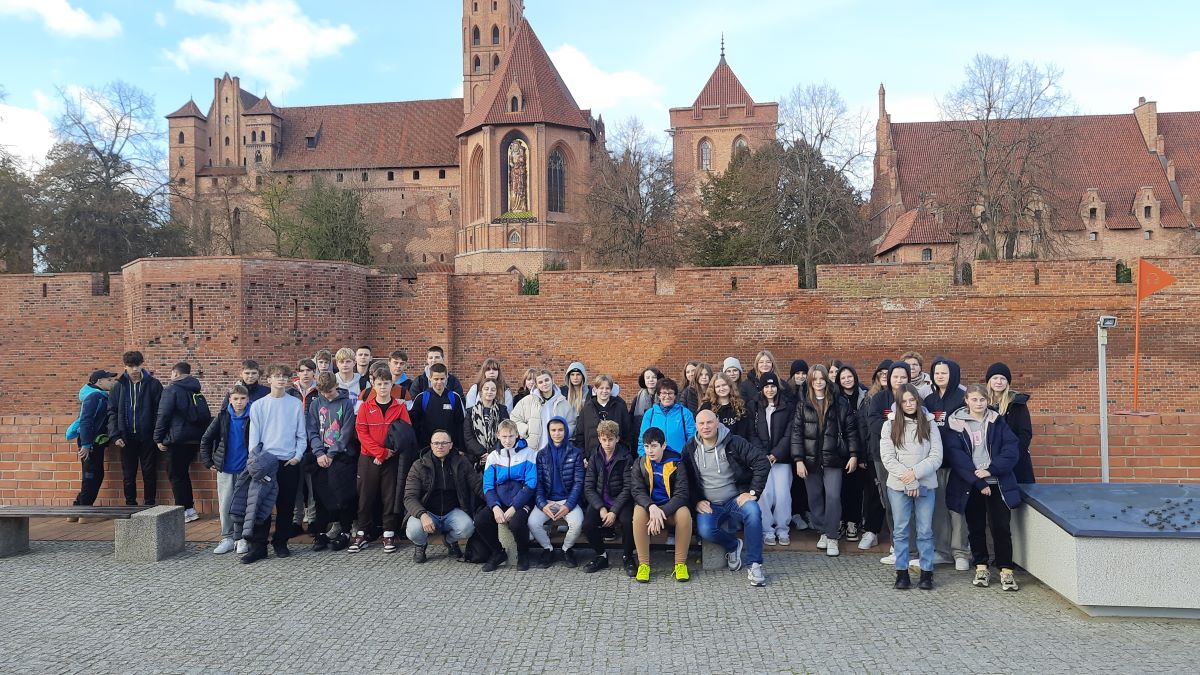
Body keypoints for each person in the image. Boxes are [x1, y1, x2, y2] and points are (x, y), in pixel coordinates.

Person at [946, 384, 1023, 591]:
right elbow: (957, 457)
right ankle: (981, 567)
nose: (978, 404)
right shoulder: (955, 424)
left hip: (998, 482)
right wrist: (979, 482)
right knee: (976, 527)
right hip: (971, 485)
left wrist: (991, 470)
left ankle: (1006, 570)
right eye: (974, 400)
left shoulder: (998, 421)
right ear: (966, 401)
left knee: (1001, 528)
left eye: (982, 400)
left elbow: (1010, 450)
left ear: (987, 400)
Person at [684, 409, 771, 587]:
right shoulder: (690, 448)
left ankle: (755, 564)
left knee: (753, 513)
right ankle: (733, 546)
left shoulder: (734, 442)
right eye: (701, 423)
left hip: (735, 499)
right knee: (705, 530)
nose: (706, 427)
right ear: (696, 426)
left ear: (717, 423)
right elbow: (686, 480)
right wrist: (696, 501)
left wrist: (752, 492)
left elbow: (762, 462)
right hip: (710, 504)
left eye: (709, 422)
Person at [791, 365, 861, 557]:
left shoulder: (840, 402)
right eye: (815, 379)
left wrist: (854, 454)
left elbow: (851, 431)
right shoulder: (803, 404)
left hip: (834, 458)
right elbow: (796, 434)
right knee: (814, 497)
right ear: (810, 382)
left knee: (833, 497)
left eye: (822, 378)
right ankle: (822, 530)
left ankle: (832, 537)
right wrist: (798, 460)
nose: (819, 382)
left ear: (827, 381)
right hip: (810, 459)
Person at [880, 384, 942, 590]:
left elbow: (936, 456)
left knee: (925, 530)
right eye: (904, 401)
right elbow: (888, 458)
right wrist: (908, 479)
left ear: (918, 401)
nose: (908, 404)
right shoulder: (889, 425)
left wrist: (915, 475)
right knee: (901, 530)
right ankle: (902, 572)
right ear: (899, 403)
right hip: (898, 486)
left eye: (912, 400)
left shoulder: (930, 423)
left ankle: (926, 573)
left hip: (925, 484)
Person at [243, 364, 307, 562]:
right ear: (268, 379)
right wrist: (255, 461)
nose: (281, 380)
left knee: (286, 505)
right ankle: (258, 546)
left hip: (288, 462)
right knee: (261, 506)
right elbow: (254, 437)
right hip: (266, 462)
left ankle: (281, 542)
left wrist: (297, 456)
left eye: (284, 376)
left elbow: (301, 435)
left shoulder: (295, 405)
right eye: (276, 376)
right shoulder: (259, 405)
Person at [350, 364, 414, 553]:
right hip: (369, 458)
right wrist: (380, 453)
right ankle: (362, 533)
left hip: (392, 459)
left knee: (390, 496)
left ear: (391, 384)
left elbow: (404, 433)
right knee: (365, 496)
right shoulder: (365, 407)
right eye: (379, 383)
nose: (383, 387)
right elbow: (361, 432)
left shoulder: (399, 407)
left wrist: (388, 452)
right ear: (373, 384)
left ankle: (388, 533)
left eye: (386, 383)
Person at [404, 430, 483, 563]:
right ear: (431, 445)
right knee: (413, 529)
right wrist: (422, 515)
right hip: (427, 511)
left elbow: (477, 485)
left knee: (467, 528)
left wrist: (495, 503)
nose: (440, 446)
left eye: (444, 443)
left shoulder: (462, 462)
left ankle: (450, 541)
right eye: (436, 443)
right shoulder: (419, 465)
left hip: (452, 511)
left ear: (451, 445)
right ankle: (421, 545)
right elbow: (409, 497)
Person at [925, 357, 971, 571]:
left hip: (959, 465)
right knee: (939, 508)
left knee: (957, 508)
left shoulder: (963, 399)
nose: (940, 376)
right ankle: (942, 551)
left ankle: (960, 552)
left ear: (953, 374)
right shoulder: (930, 400)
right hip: (936, 464)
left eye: (944, 372)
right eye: (936, 373)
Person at [629, 427, 693, 583]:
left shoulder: (677, 463)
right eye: (646, 446)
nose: (650, 451)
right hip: (649, 509)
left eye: (654, 446)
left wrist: (661, 512)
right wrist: (651, 508)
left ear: (663, 446)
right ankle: (644, 565)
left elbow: (682, 494)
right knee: (638, 513)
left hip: (670, 510)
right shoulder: (640, 463)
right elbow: (637, 491)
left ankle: (680, 564)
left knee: (684, 514)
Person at [153, 361, 212, 523]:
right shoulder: (196, 390)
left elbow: (163, 415)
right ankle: (190, 509)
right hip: (194, 440)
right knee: (183, 474)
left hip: (176, 440)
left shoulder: (171, 390)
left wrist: (158, 438)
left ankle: (184, 510)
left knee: (176, 476)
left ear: (176, 374)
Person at [475, 420, 537, 572]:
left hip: (522, 500)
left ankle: (523, 553)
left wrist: (515, 507)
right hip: (500, 500)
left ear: (517, 435)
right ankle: (498, 552)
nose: (508, 440)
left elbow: (531, 484)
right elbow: (488, 486)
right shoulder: (493, 457)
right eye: (504, 437)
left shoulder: (529, 454)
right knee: (480, 520)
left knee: (516, 523)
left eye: (511, 436)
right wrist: (495, 507)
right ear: (498, 436)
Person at [305, 372, 356, 551]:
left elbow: (347, 432)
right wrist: (319, 453)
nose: (327, 395)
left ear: (336, 385)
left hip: (340, 455)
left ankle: (345, 530)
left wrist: (332, 453)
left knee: (342, 495)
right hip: (320, 456)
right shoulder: (315, 403)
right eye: (323, 392)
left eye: (330, 391)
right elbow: (311, 430)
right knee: (321, 495)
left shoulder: (346, 403)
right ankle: (321, 531)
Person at [107, 350, 164, 507]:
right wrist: (115, 435)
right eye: (130, 366)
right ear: (125, 366)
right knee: (128, 474)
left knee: (149, 472)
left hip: (147, 436)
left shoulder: (153, 384)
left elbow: (161, 411)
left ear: (142, 365)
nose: (134, 370)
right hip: (126, 437)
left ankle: (149, 504)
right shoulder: (118, 386)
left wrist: (157, 435)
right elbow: (112, 411)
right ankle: (130, 504)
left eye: (137, 366)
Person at [868, 361, 911, 565]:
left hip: (910, 457)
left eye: (903, 377)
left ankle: (913, 547)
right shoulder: (879, 399)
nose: (899, 380)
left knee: (910, 501)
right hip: (884, 457)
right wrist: (896, 427)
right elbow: (873, 423)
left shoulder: (913, 398)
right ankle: (896, 545)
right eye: (896, 377)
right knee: (891, 501)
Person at [528, 416, 585, 567]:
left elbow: (578, 483)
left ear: (566, 431)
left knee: (577, 523)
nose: (557, 433)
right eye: (553, 430)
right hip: (547, 500)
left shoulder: (575, 453)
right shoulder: (541, 454)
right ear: (548, 432)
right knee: (533, 522)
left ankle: (566, 549)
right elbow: (538, 483)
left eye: (560, 430)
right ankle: (548, 549)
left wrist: (568, 505)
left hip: (567, 501)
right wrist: (542, 504)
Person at [200, 384, 251, 554]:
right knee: (225, 504)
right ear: (230, 400)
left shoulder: (253, 416)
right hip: (226, 468)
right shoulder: (222, 417)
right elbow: (206, 439)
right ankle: (227, 537)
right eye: (235, 399)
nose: (239, 402)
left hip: (246, 469)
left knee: (244, 504)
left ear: (248, 400)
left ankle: (242, 538)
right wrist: (208, 461)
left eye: (242, 399)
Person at [581, 420, 635, 575]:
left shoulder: (625, 457)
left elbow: (628, 487)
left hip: (620, 501)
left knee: (627, 521)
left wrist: (614, 511)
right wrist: (601, 508)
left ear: (617, 439)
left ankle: (628, 555)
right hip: (600, 501)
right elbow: (589, 487)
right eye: (604, 440)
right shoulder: (594, 457)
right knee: (587, 524)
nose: (607, 443)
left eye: (611, 439)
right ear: (599, 439)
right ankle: (601, 555)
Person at [750, 372, 794, 546]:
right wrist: (763, 455)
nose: (770, 389)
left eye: (773, 386)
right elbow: (751, 433)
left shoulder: (787, 406)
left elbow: (789, 433)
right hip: (762, 459)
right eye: (766, 386)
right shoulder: (754, 406)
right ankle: (767, 529)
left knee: (783, 495)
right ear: (761, 388)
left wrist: (776, 453)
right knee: (765, 494)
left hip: (781, 459)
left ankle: (782, 529)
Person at [69, 369, 116, 515]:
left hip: (94, 442)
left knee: (94, 474)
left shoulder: (100, 396)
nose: (112, 382)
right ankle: (83, 511)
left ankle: (78, 507)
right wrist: (86, 445)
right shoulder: (94, 397)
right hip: (90, 443)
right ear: (99, 381)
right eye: (109, 380)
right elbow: (86, 421)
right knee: (91, 475)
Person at [836, 365, 870, 544]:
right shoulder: (835, 397)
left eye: (850, 376)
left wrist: (860, 455)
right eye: (843, 378)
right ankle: (840, 520)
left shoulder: (864, 396)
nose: (847, 380)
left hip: (859, 448)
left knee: (855, 489)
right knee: (839, 489)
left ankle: (852, 522)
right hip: (840, 450)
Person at [986, 362, 1035, 484]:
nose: (999, 381)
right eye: (995, 378)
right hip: (988, 462)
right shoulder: (981, 404)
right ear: (989, 381)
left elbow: (1025, 434)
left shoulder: (1017, 404)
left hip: (1015, 463)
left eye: (1003, 378)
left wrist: (1011, 457)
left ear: (1007, 382)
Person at [510, 369, 573, 452]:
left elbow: (571, 423)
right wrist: (526, 429)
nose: (544, 384)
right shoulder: (528, 400)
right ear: (536, 385)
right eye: (540, 382)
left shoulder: (563, 402)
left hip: (556, 450)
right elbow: (514, 418)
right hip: (533, 450)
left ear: (552, 380)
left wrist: (562, 434)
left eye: (547, 380)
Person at [572, 374, 633, 457]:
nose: (604, 391)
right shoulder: (587, 409)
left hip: (616, 458)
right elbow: (579, 435)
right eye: (601, 388)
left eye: (607, 388)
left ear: (611, 390)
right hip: (592, 458)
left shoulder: (620, 407)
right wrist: (583, 456)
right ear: (595, 389)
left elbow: (627, 433)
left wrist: (624, 454)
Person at [409, 363, 466, 451]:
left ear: (447, 377)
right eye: (436, 379)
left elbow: (460, 425)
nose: (439, 382)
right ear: (430, 378)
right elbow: (414, 425)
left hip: (450, 449)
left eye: (442, 379)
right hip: (426, 448)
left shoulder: (454, 398)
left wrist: (461, 449)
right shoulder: (421, 398)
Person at [637, 377, 696, 458]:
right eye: (664, 393)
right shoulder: (650, 414)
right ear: (658, 395)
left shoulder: (685, 413)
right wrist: (644, 458)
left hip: (679, 460)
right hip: (655, 462)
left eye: (670, 393)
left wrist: (688, 458)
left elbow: (692, 438)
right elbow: (642, 439)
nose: (667, 396)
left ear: (675, 395)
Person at [462, 377, 510, 467]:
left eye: (493, 389)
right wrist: (482, 453)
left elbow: (505, 434)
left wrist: (491, 453)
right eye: (486, 389)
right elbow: (468, 437)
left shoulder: (502, 410)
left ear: (496, 392)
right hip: (476, 459)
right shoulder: (470, 412)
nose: (489, 392)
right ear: (481, 392)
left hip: (498, 457)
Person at [699, 373, 750, 440]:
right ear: (713, 389)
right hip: (714, 446)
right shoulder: (707, 407)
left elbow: (743, 433)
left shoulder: (740, 406)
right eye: (718, 386)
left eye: (724, 385)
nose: (721, 389)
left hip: (737, 446)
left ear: (730, 386)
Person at [629, 366, 662, 436]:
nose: (651, 380)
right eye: (647, 378)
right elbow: (631, 418)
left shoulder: (664, 397)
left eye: (654, 377)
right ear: (644, 380)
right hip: (641, 434)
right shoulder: (637, 398)